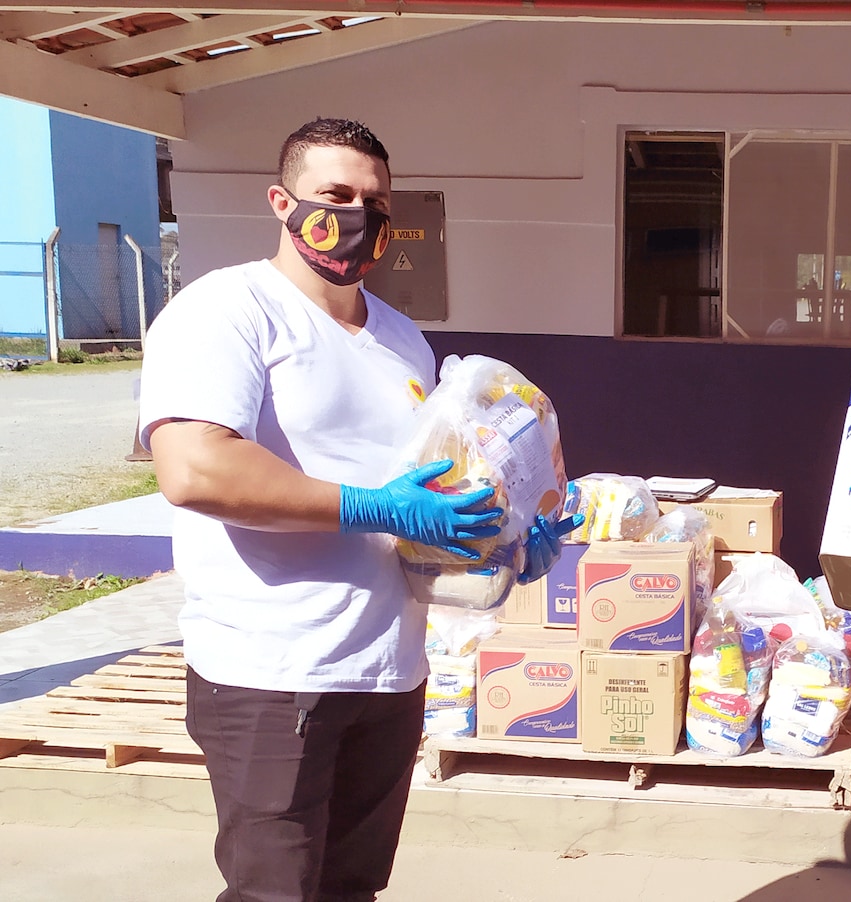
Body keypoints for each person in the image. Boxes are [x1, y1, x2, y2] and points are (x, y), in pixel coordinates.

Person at [139, 117, 577, 901]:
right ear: (281, 201)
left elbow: (421, 495)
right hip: (273, 670)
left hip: (387, 669)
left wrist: (503, 543)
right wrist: (377, 507)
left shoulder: (402, 338)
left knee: (350, 891)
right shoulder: (229, 310)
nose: (357, 215)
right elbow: (196, 469)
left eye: (375, 200)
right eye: (335, 194)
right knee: (275, 893)